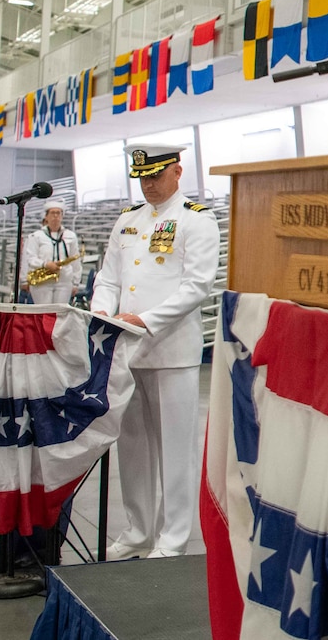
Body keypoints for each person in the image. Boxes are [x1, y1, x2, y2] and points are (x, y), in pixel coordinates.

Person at [91, 145, 219, 559]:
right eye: (142, 177)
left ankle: (174, 536)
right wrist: (101, 314)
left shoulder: (196, 220)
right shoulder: (128, 220)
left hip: (171, 350)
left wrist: (145, 320)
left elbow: (197, 285)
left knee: (175, 449)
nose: (147, 184)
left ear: (177, 172)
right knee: (132, 446)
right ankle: (137, 530)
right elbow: (108, 278)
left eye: (155, 176)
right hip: (125, 351)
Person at [22, 202, 81, 305]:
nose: (55, 216)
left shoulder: (70, 236)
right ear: (46, 216)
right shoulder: (36, 236)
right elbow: (30, 258)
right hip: (42, 281)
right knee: (43, 313)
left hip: (64, 280)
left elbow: (75, 261)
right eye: (52, 213)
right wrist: (45, 264)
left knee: (60, 313)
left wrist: (76, 283)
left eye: (58, 213)